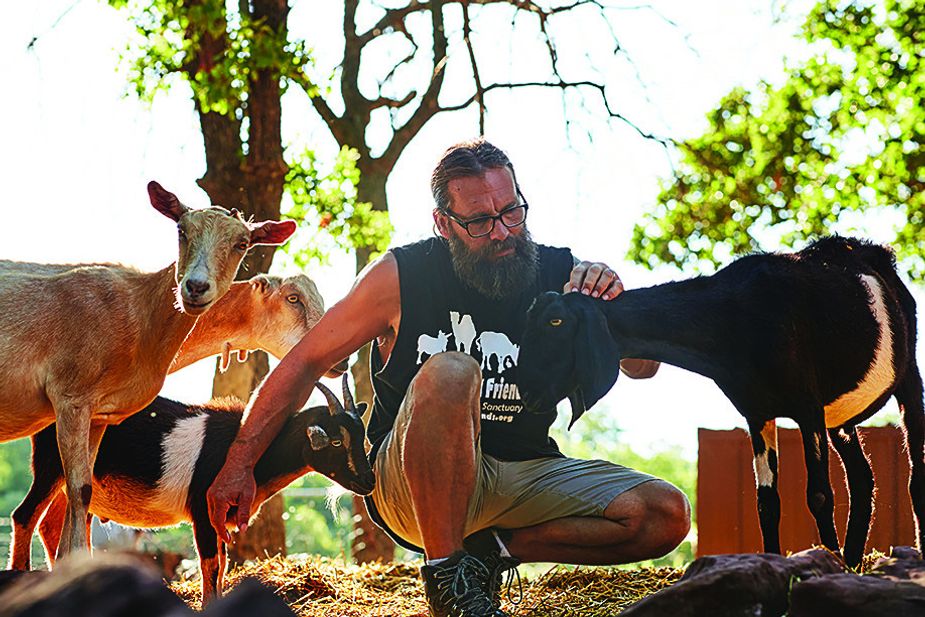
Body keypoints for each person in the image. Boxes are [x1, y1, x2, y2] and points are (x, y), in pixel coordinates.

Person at [206, 139, 691, 617]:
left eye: (512, 211)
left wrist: (610, 306)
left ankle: (492, 553)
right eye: (480, 221)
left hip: (523, 470)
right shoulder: (400, 276)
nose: (502, 231)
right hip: (412, 485)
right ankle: (447, 579)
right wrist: (239, 464)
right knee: (454, 370)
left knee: (665, 514)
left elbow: (641, 368)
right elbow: (304, 363)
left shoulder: (561, 272)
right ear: (443, 223)